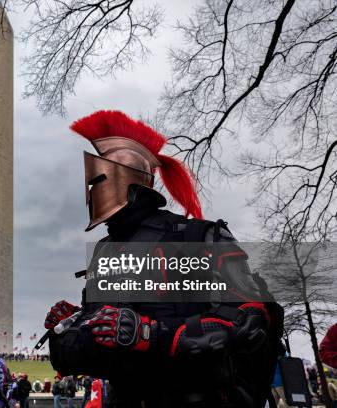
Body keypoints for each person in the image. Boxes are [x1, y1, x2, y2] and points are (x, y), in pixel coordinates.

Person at [43, 110, 284, 408]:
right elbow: (107, 345)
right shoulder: (105, 253)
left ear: (126, 181)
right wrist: (75, 325)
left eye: (98, 180)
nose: (92, 190)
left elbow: (250, 320)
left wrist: (151, 333)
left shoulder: (197, 237)